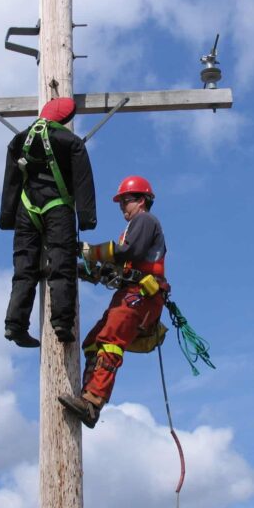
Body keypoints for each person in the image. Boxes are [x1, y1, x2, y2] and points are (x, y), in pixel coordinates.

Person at [59, 176, 168, 428]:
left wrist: (90, 251)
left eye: (125, 201)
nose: (122, 206)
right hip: (130, 293)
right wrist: (91, 270)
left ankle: (92, 402)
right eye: (120, 202)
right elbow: (120, 267)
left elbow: (128, 253)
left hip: (141, 295)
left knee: (110, 341)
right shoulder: (131, 228)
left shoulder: (145, 220)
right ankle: (86, 394)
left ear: (141, 201)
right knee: (93, 342)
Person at [0, 97, 97, 347]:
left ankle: (15, 325)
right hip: (57, 206)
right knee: (61, 263)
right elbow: (83, 181)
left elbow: (11, 179)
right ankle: (62, 323)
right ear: (65, 118)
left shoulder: (20, 139)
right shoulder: (71, 142)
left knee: (24, 269)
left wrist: (6, 218)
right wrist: (86, 218)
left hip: (26, 207)